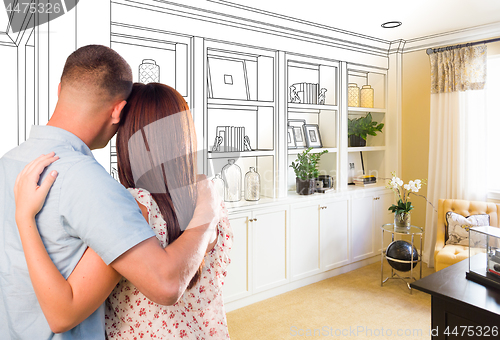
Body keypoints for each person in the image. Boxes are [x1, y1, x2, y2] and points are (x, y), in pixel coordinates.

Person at [0, 45, 220, 339]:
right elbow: (166, 286)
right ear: (118, 110)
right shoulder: (92, 183)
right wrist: (208, 212)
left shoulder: (8, 163)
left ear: (60, 89)